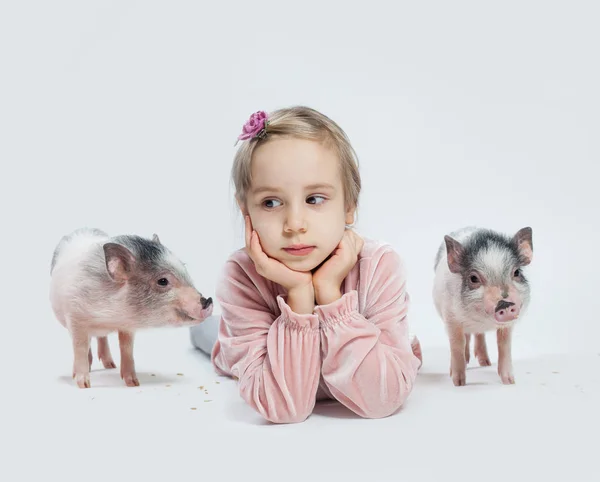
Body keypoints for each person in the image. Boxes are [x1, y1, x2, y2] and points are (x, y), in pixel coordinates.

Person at [190, 106, 422, 424]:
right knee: (211, 337)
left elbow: (381, 400)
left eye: (314, 199)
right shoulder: (241, 277)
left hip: (362, 352)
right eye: (271, 203)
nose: (295, 224)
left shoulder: (378, 265)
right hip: (239, 344)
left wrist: (329, 293)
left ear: (350, 205)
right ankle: (203, 332)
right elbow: (285, 409)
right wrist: (299, 295)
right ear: (246, 210)